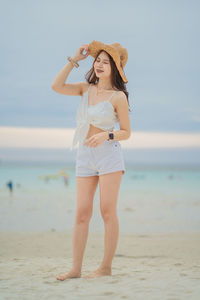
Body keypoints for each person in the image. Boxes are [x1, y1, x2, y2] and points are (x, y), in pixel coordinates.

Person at [52, 40, 131, 280]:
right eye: (98, 60)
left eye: (106, 62)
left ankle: (105, 268)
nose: (99, 65)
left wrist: (106, 135)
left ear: (115, 68)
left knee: (107, 212)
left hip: (109, 155)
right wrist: (75, 60)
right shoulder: (85, 89)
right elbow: (56, 86)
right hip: (85, 155)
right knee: (82, 214)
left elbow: (126, 132)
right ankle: (76, 269)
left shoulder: (118, 97)